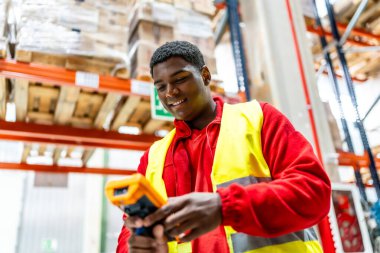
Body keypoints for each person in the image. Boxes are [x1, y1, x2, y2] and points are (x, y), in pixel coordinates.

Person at [116, 41, 331, 253]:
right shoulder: (153, 158)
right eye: (160, 87)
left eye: (180, 79)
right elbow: (130, 233)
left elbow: (314, 191)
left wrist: (225, 206)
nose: (170, 93)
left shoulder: (257, 118)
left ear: (206, 76)